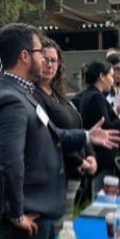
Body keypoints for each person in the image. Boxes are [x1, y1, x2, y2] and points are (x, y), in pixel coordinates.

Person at [0, 24, 120, 239]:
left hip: (41, 211)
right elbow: (11, 163)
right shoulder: (12, 99)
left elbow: (52, 134)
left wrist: (86, 136)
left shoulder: (23, 92)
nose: (45, 59)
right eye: (40, 52)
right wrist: (17, 214)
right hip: (29, 217)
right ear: (25, 56)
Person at [33, 39, 97, 229]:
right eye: (44, 59)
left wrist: (91, 155)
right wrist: (80, 161)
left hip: (75, 173)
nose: (49, 64)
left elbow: (79, 128)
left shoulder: (58, 93)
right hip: (57, 175)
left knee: (66, 226)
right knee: (59, 230)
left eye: (54, 60)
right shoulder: (34, 96)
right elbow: (50, 135)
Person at [78, 61, 120, 198]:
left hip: (98, 156)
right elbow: (106, 130)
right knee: (103, 198)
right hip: (103, 159)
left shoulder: (89, 95)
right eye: (110, 75)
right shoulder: (96, 97)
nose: (112, 79)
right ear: (101, 77)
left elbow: (103, 119)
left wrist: (116, 111)